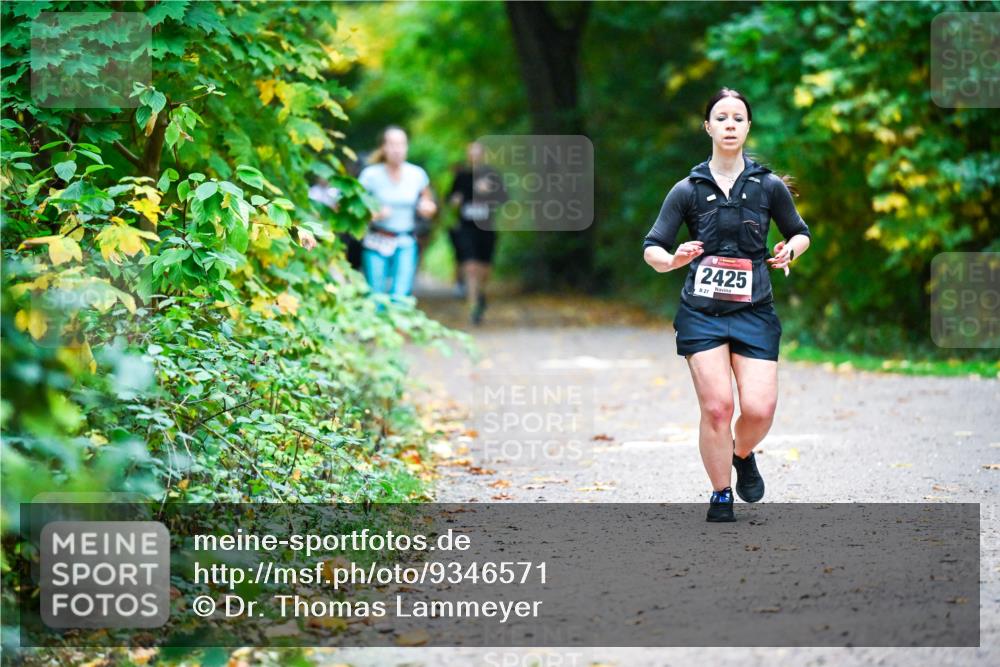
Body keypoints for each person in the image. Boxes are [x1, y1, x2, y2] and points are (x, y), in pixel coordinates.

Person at [642, 87, 812, 522]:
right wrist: (673, 259)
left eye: (738, 118)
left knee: (759, 409)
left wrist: (789, 251)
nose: (730, 125)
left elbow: (800, 232)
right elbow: (652, 248)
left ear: (748, 127)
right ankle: (721, 493)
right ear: (708, 127)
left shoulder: (768, 186)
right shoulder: (687, 189)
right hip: (702, 314)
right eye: (721, 118)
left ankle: (741, 453)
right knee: (718, 407)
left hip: (755, 311)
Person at [357, 126, 437, 300]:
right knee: (375, 294)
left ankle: (399, 317)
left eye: (401, 144)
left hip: (406, 240)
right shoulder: (370, 175)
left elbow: (429, 204)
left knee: (401, 295)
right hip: (377, 239)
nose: (397, 149)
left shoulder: (417, 174)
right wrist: (373, 214)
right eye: (392, 144)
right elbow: (355, 207)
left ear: (406, 147)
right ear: (383, 148)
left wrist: (427, 208)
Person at [447, 141, 506, 325]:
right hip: (466, 227)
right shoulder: (462, 176)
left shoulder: (492, 175)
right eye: (471, 153)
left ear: (483, 155)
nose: (474, 156)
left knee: (484, 270)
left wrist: (489, 191)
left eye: (477, 152)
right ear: (468, 155)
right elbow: (450, 199)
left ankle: (480, 295)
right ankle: (473, 308)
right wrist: (455, 200)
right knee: (471, 267)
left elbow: (504, 198)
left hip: (486, 228)